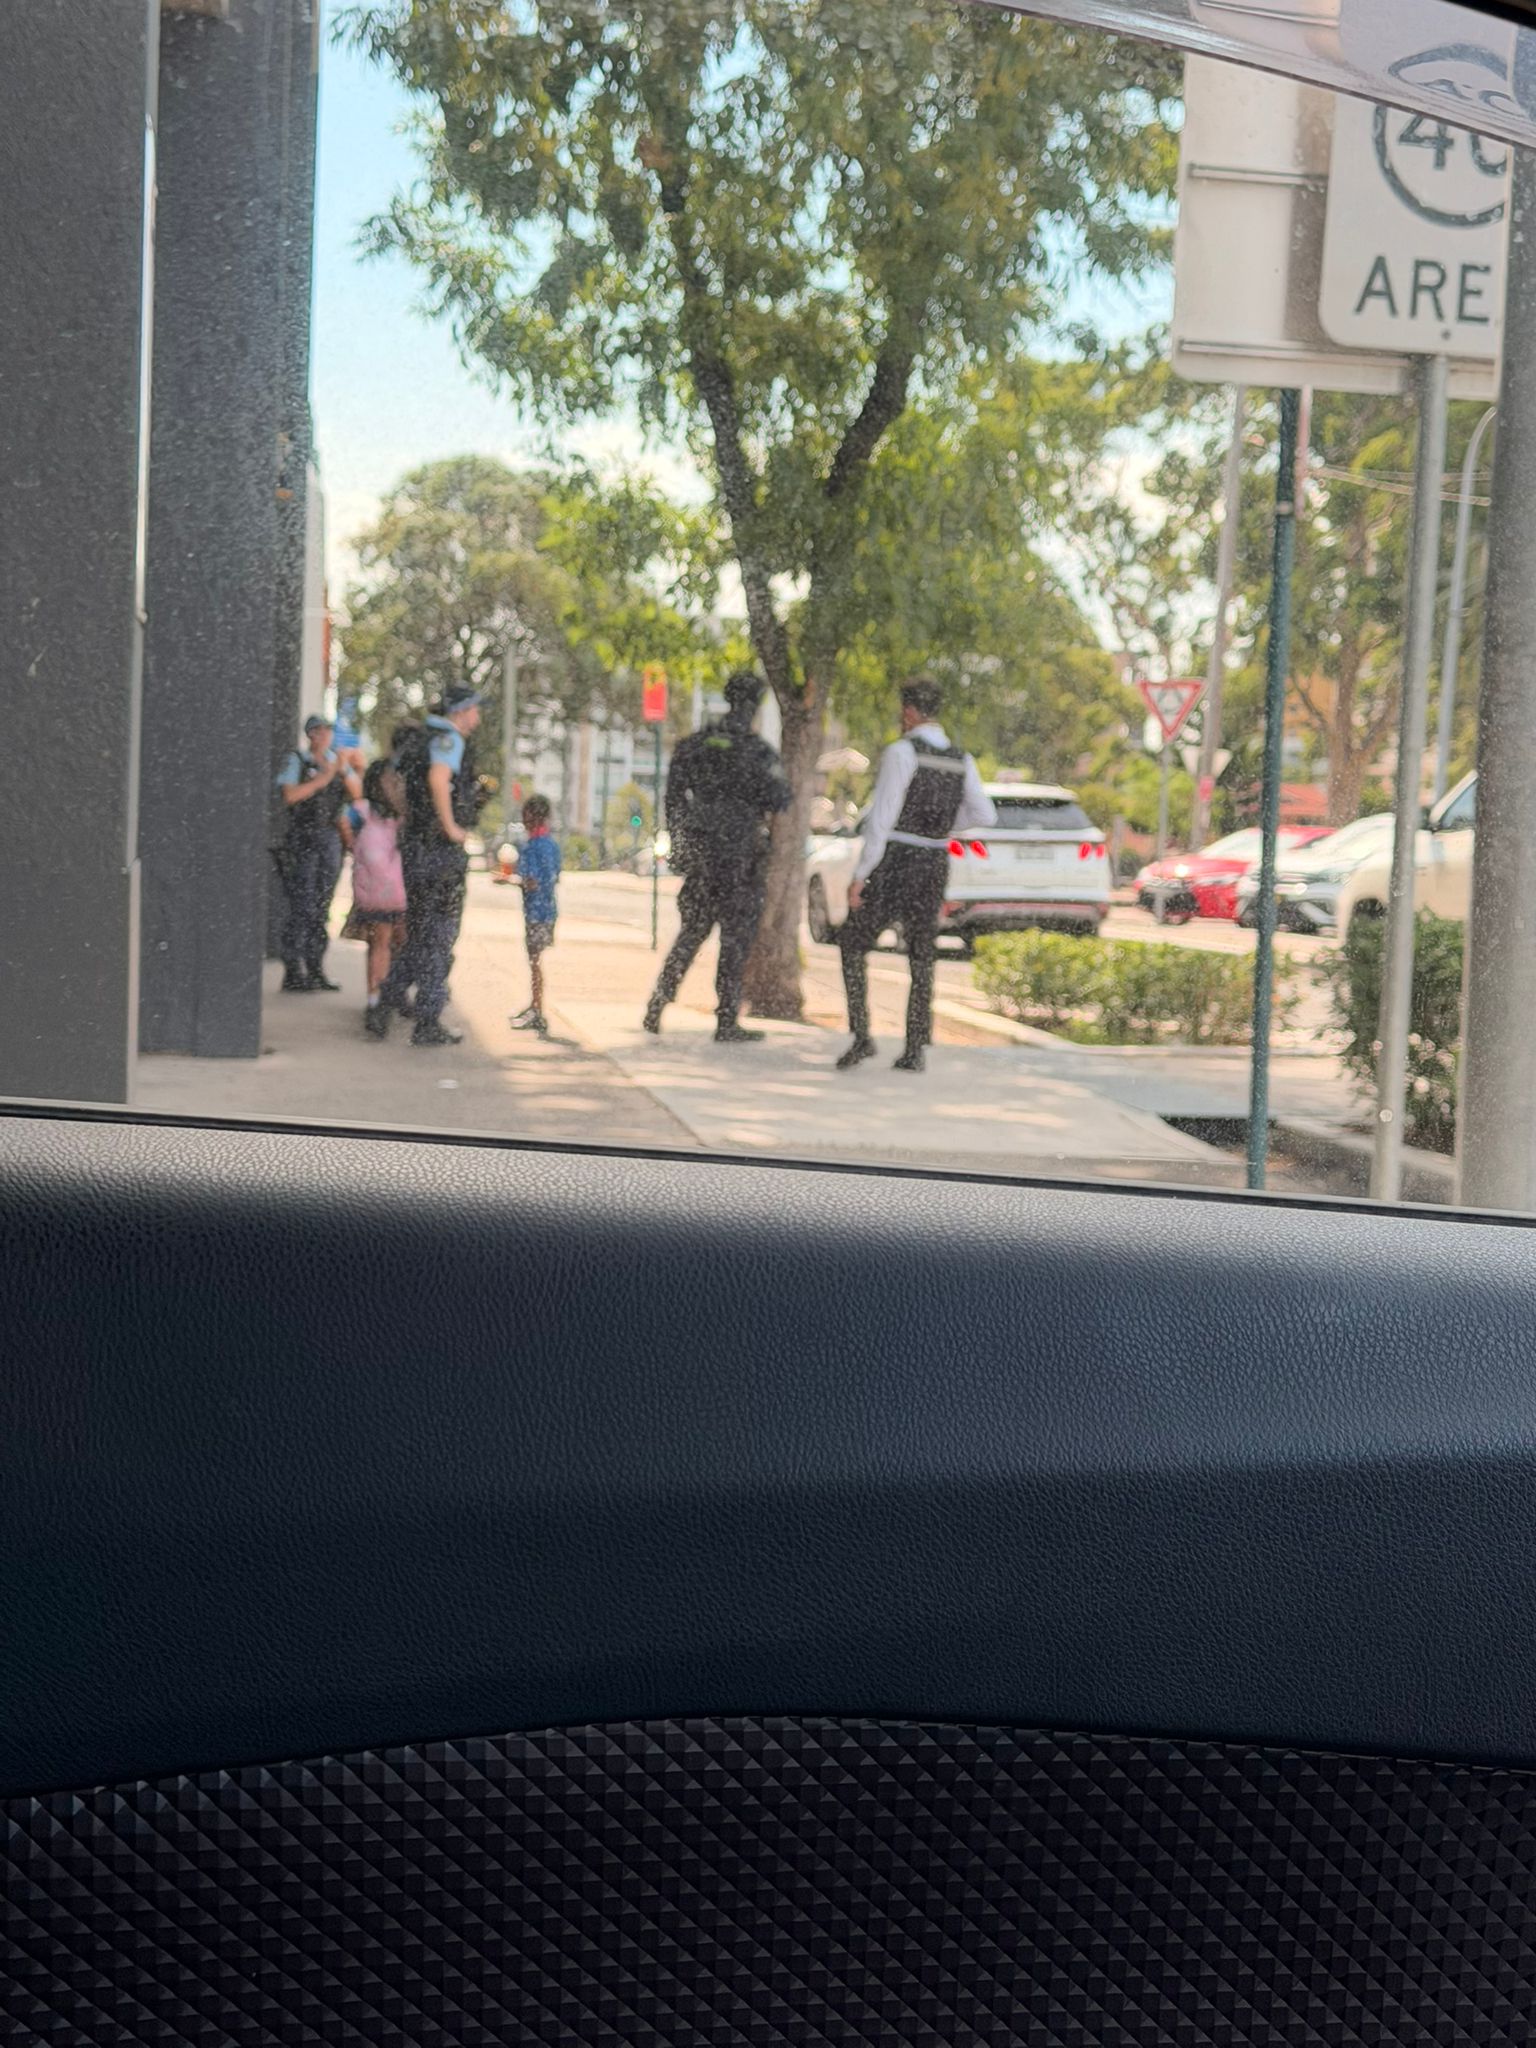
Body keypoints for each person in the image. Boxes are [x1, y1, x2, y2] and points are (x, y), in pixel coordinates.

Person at [837, 676, 996, 1074]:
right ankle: (915, 1047)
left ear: (908, 712)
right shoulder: (963, 758)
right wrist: (941, 825)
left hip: (899, 859)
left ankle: (862, 1036)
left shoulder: (902, 752)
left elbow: (883, 817)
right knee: (923, 955)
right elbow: (984, 815)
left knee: (854, 942)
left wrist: (861, 875)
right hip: (935, 862)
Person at [642, 669, 792, 1043]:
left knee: (691, 934)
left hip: (704, 856)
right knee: (735, 941)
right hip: (742, 857)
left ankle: (657, 1005)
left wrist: (682, 845)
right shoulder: (758, 752)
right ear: (756, 705)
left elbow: (673, 798)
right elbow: (780, 800)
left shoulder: (698, 744)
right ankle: (726, 1018)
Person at [379, 685, 486, 1047]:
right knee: (440, 937)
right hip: (440, 853)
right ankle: (428, 1019)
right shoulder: (448, 740)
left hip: (415, 848)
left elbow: (391, 781)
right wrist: (451, 826)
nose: (477, 717)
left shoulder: (418, 738)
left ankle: (387, 999)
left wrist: (410, 816)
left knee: (421, 931)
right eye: (474, 709)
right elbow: (438, 779)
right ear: (461, 710)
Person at [274, 714, 359, 993]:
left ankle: (315, 967)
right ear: (310, 734)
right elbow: (290, 796)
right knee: (302, 905)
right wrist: (323, 779)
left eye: (328, 732)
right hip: (302, 839)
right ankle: (293, 969)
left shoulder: (337, 764)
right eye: (319, 732)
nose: (324, 737)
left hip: (328, 839)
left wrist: (342, 770)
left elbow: (356, 795)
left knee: (322, 906)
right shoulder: (297, 761)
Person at [344, 759, 408, 1039]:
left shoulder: (362, 811)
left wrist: (354, 848)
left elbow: (343, 821)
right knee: (386, 943)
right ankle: (381, 998)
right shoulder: (400, 815)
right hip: (394, 892)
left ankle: (376, 997)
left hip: (373, 890)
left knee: (379, 944)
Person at [509, 794, 562, 1038]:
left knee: (535, 962)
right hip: (545, 911)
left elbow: (532, 882)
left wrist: (510, 879)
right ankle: (535, 1006)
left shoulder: (533, 846)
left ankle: (538, 1009)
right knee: (534, 962)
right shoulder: (550, 845)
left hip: (537, 913)